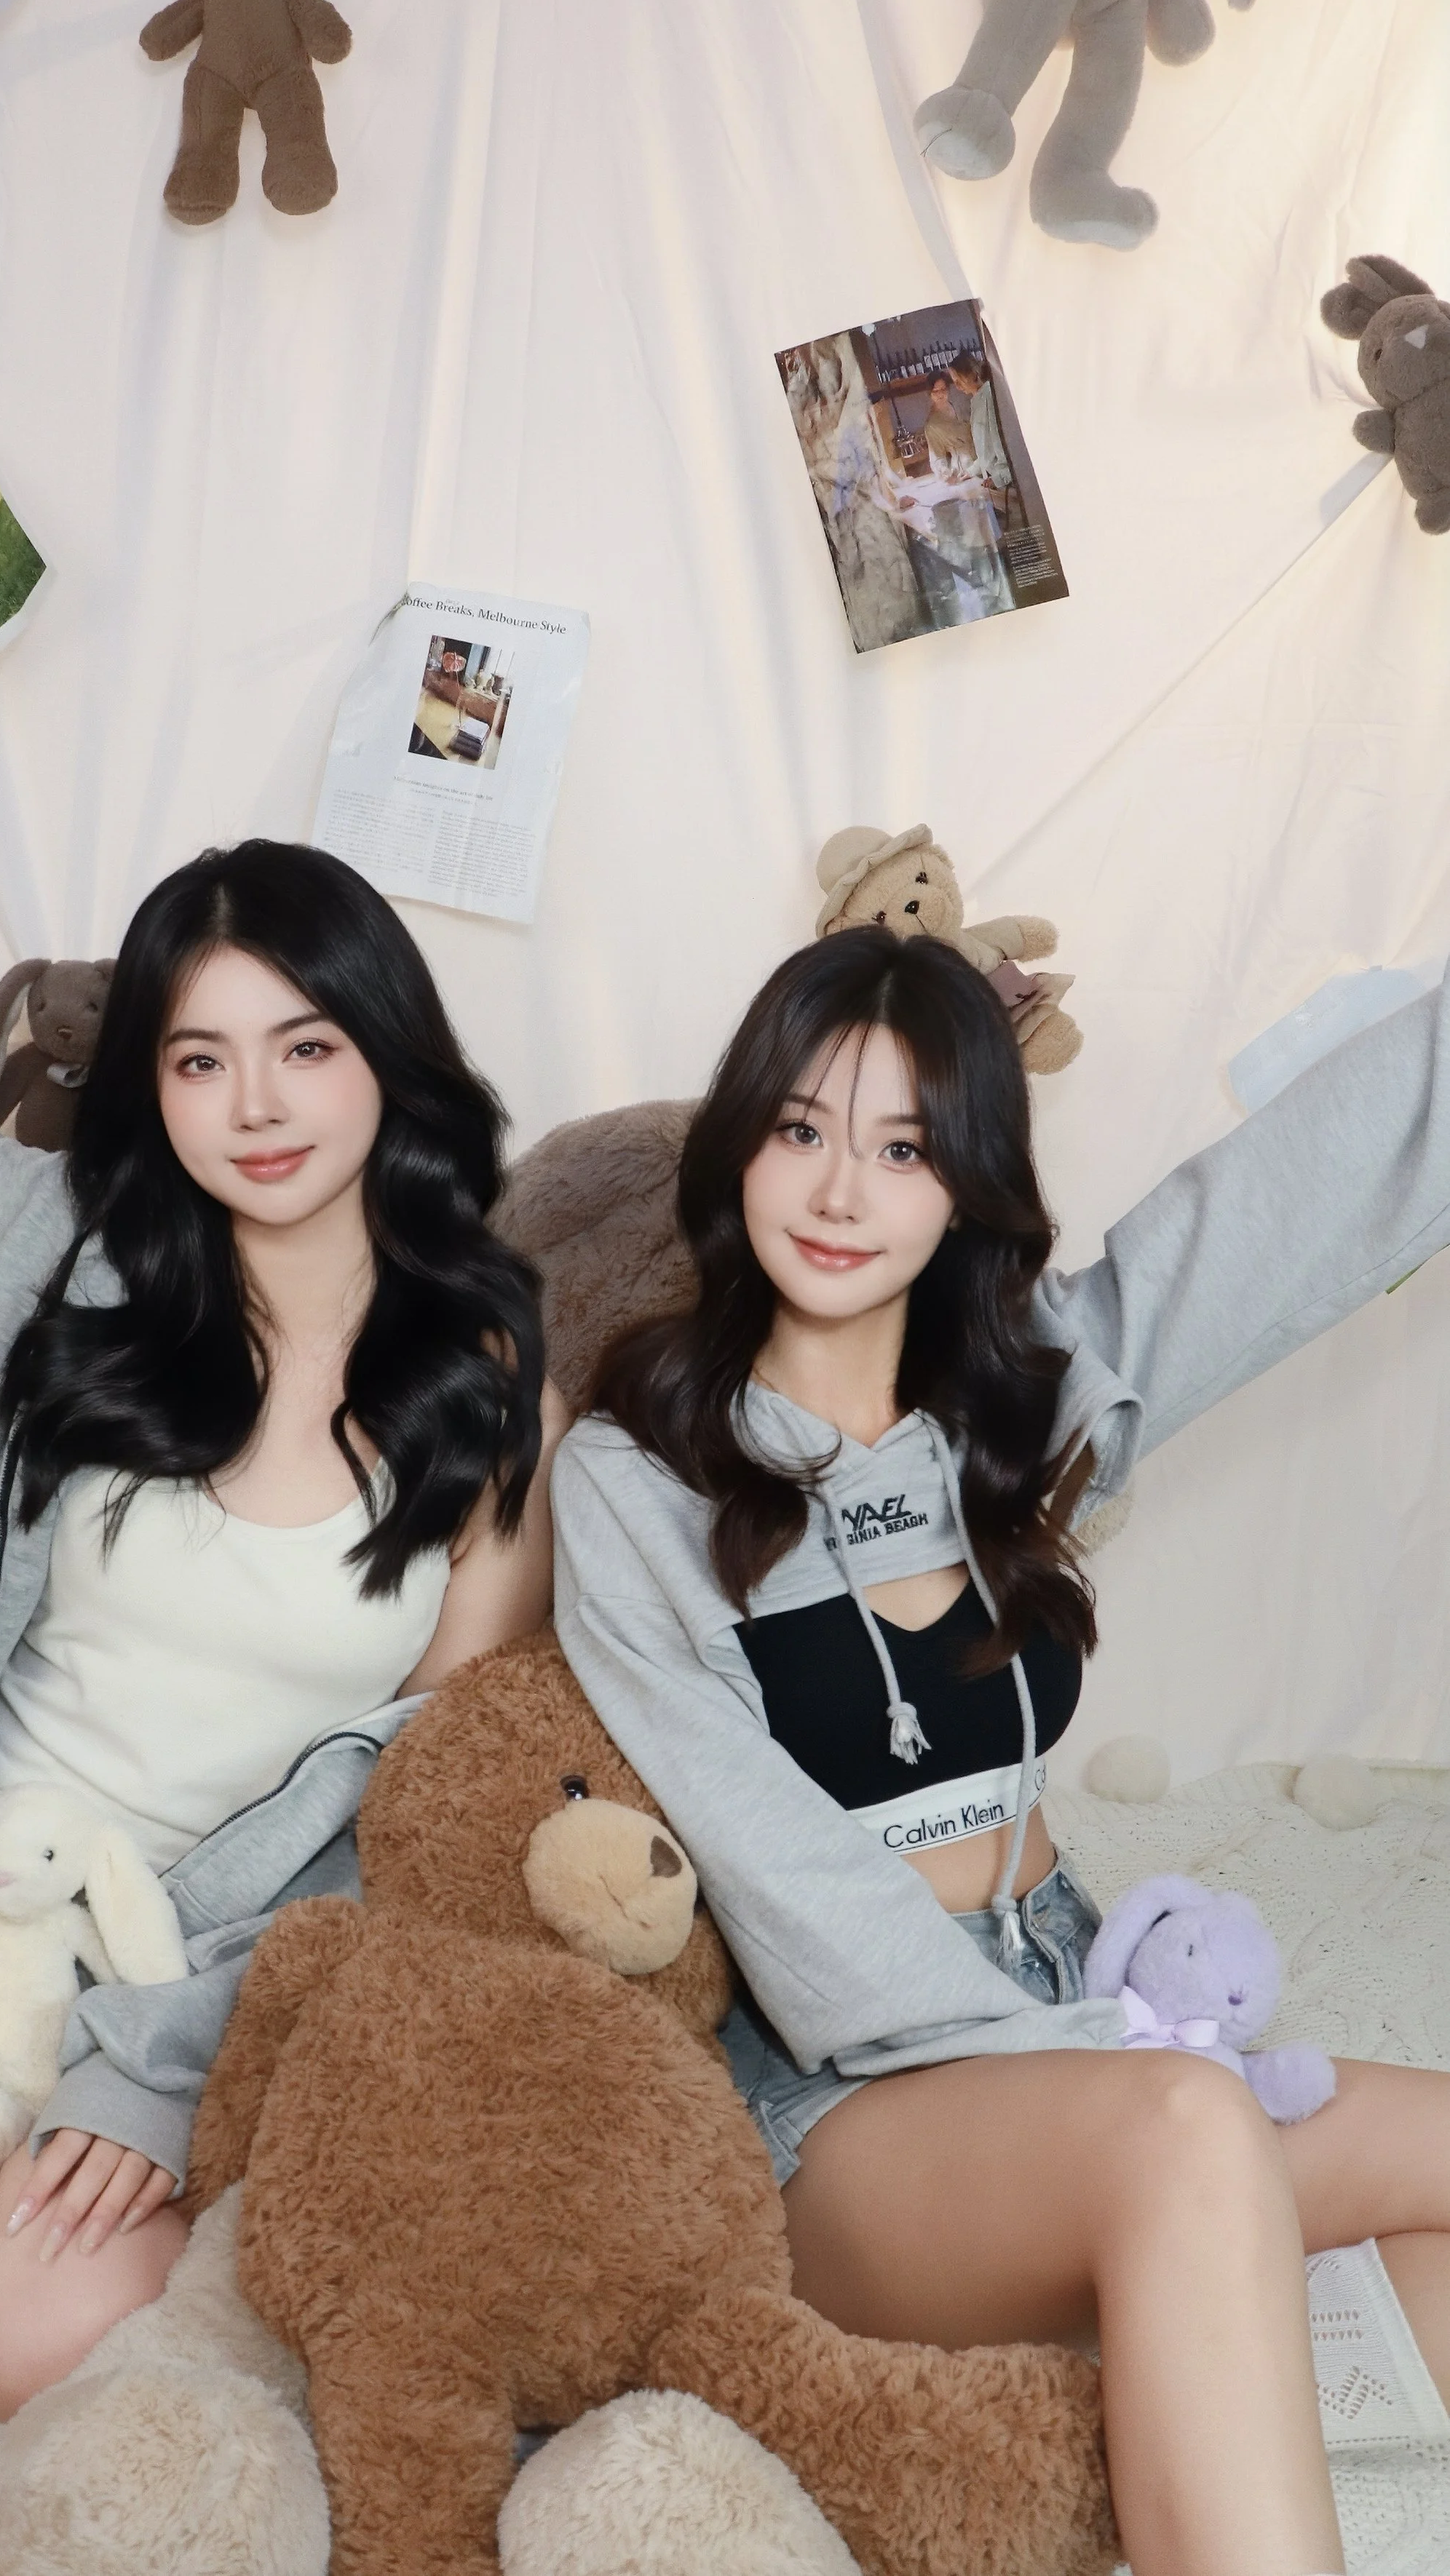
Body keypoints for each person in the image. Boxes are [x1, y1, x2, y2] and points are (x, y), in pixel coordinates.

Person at [0, 840, 563, 2436]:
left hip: (187, 1958)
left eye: (305, 1047)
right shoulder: (27, 1247)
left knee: (85, 2339)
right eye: (201, 1057)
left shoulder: (483, 1387)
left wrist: (162, 2055)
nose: (256, 1106)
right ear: (149, 1082)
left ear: (387, 1059)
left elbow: (425, 1807)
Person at [552, 924, 1450, 2576]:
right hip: (853, 2104)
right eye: (802, 1128)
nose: (839, 1190)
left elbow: (1280, 1209)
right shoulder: (642, 1472)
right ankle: (1174, 2334)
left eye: (902, 1146)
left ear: (963, 1184)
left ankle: (1157, 2396)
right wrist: (1118, 2060)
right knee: (1189, 2128)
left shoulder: (1017, 1406)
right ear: (739, 1139)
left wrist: (1110, 2041)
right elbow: (786, 1885)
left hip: (1079, 2001)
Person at [946, 348, 1013, 493]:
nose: (957, 387)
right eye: (954, 382)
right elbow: (986, 451)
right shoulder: (976, 400)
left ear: (973, 374)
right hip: (993, 479)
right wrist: (971, 471)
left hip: (1005, 481)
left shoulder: (990, 395)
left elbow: (1001, 442)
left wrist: (1001, 477)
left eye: (959, 381)